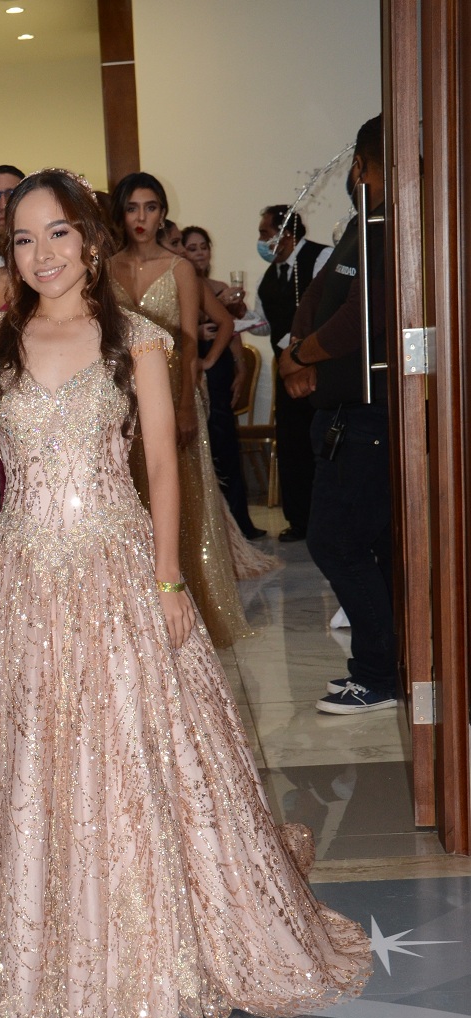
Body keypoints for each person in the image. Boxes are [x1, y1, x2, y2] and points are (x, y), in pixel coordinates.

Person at [0, 168, 370, 1018]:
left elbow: (162, 469)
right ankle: (35, 931)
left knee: (136, 748)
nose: (41, 253)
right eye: (24, 238)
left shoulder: (139, 343)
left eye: (59, 234)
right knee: (28, 752)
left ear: (91, 238)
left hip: (117, 565)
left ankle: (152, 929)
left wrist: (168, 580)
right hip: (20, 576)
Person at [109, 173, 267, 646]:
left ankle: (188, 611)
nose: (142, 218)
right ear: (121, 212)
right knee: (129, 498)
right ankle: (135, 613)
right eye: (133, 207)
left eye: (151, 207)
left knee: (184, 499)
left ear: (162, 213)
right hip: (121, 398)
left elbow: (193, 335)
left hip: (176, 391)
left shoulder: (179, 267)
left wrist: (190, 389)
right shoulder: (104, 267)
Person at [279, 115, 395, 714]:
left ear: (361, 167)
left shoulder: (390, 227)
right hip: (342, 414)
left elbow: (360, 321)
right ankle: (390, 666)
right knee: (364, 545)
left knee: (335, 543)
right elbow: (322, 299)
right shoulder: (359, 225)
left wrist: (300, 355)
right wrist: (295, 352)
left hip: (370, 420)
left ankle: (379, 673)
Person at [180, 224, 266, 540]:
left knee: (226, 440)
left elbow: (231, 330)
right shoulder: (180, 284)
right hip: (193, 363)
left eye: (204, 246)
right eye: (191, 247)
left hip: (218, 367)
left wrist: (241, 367)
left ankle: (240, 522)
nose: (199, 252)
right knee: (207, 444)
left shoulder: (217, 286)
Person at [254, 207, 332, 542]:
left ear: (284, 233)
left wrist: (295, 344)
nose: (261, 241)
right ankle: (298, 520)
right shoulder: (270, 275)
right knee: (292, 445)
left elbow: (327, 306)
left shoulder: (320, 257)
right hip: (286, 372)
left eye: (264, 232)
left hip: (318, 369)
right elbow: (263, 323)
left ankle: (325, 520)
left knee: (319, 443)